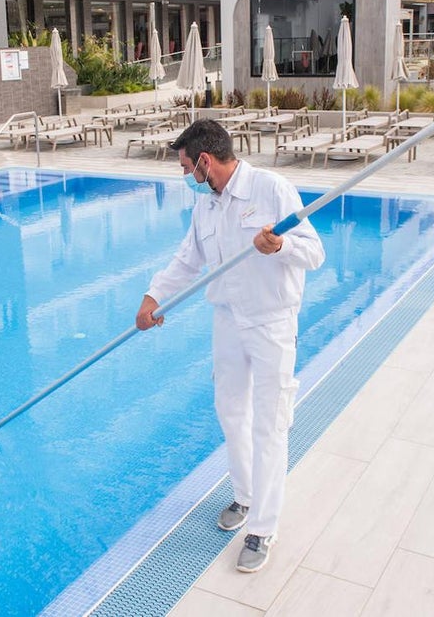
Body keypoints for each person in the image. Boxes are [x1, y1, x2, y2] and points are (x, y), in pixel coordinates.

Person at [134, 119, 324, 573]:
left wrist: (279, 247)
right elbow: (187, 259)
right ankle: (244, 496)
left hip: (271, 322)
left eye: (185, 166)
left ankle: (263, 528)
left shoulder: (270, 188)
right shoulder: (207, 208)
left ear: (204, 160)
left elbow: (314, 252)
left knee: (270, 423)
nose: (184, 177)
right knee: (230, 410)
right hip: (227, 321)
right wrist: (152, 298)